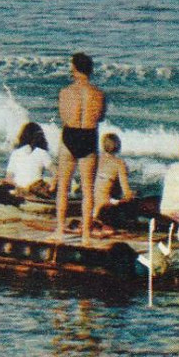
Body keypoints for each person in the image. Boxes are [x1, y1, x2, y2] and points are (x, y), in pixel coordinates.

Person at [55, 52, 107, 243]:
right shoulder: (99, 94)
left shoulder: (65, 92)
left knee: (63, 187)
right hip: (89, 135)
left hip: (71, 134)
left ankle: (60, 231)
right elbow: (100, 117)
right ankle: (85, 235)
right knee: (88, 189)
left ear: (74, 68)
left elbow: (64, 117)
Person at [5, 122, 54, 197]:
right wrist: (52, 188)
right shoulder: (42, 152)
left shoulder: (15, 153)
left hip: (19, 191)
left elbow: (8, 179)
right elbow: (56, 174)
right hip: (35, 191)